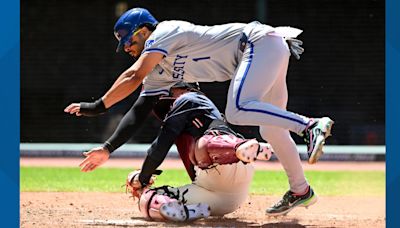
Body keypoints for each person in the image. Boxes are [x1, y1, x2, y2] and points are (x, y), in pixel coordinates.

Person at [64, 7, 334, 215]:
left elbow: (134, 76)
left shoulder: (165, 31)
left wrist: (97, 107)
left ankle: (309, 126)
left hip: (256, 42)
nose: (125, 47)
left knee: (238, 109)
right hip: (267, 49)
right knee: (271, 128)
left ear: (144, 31)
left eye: (127, 39)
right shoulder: (160, 73)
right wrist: (107, 148)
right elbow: (139, 110)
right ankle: (301, 190)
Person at [112, 82, 274, 222]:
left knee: (201, 145)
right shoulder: (181, 117)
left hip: (227, 162)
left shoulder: (189, 98)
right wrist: (143, 187)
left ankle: (239, 147)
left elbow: (160, 146)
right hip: (219, 196)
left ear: (181, 86)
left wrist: (143, 177)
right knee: (148, 200)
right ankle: (191, 212)